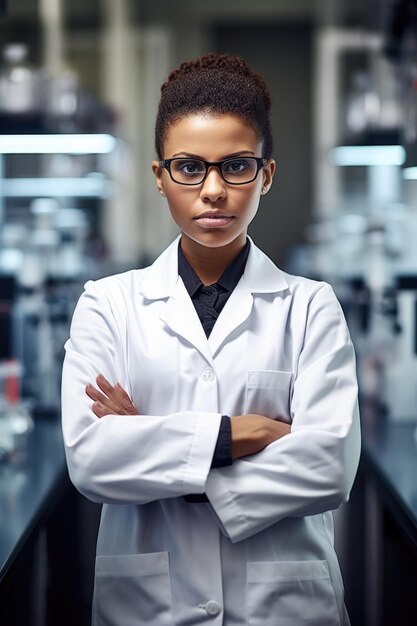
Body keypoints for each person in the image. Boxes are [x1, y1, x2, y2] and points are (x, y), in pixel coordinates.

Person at [61, 53, 361, 626]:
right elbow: (92, 459)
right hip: (148, 607)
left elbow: (328, 467)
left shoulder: (310, 305)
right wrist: (243, 434)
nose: (214, 190)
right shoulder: (108, 304)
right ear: (159, 176)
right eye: (190, 167)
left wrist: (156, 454)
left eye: (237, 166)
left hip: (285, 607)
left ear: (266, 174)